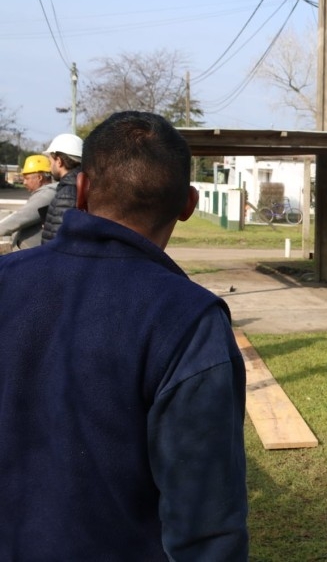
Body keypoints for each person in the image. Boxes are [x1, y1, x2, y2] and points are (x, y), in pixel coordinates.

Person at [0, 111, 249, 560]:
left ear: (80, 191)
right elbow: (206, 521)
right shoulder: (189, 320)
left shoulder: (5, 278)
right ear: (189, 204)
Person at [0, 154, 56, 250]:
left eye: (27, 178)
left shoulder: (47, 194)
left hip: (34, 254)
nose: (24, 183)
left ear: (39, 177)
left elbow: (19, 218)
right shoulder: (48, 192)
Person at [40, 132, 83, 242]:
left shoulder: (67, 194)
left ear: (59, 161)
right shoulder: (82, 185)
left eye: (50, 162)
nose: (50, 167)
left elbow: (59, 242)